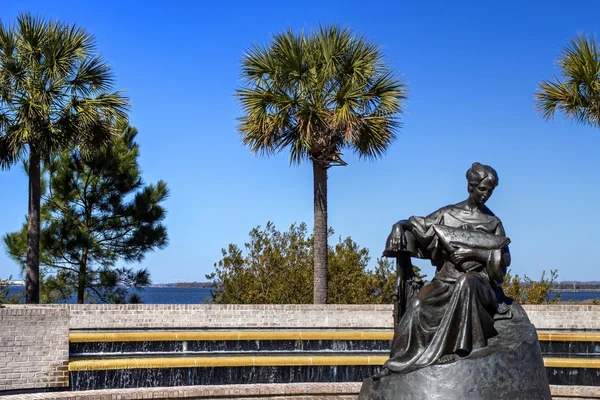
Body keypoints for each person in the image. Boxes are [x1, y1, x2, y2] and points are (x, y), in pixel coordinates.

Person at [378, 162, 512, 376]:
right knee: (417, 305)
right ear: (471, 186)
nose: (486, 194)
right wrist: (399, 226)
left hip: (477, 284)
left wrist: (474, 254)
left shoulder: (493, 222)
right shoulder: (447, 214)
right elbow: (419, 227)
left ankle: (456, 349)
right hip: (444, 282)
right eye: (482, 189)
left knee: (465, 283)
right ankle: (398, 363)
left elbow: (503, 262)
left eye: (490, 190)